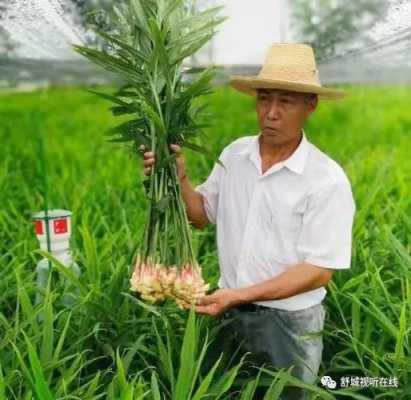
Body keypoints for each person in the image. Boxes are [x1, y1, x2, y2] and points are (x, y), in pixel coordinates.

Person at [140, 43, 356, 399]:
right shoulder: (235, 155)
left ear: (310, 105)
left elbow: (319, 270)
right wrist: (178, 178)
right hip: (229, 312)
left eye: (285, 101)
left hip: (288, 326)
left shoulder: (325, 179)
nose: (271, 113)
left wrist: (237, 296)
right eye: (264, 99)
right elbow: (200, 217)